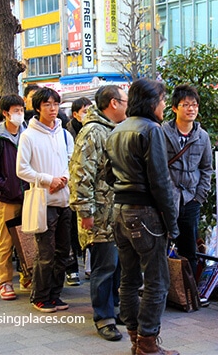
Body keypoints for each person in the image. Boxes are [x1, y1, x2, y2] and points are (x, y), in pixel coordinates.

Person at [105, 78, 180, 355]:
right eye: (162, 100)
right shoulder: (152, 130)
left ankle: (136, 339)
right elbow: (160, 182)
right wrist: (172, 223)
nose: (164, 106)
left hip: (120, 211)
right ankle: (147, 343)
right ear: (151, 102)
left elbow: (106, 174)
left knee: (129, 278)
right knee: (157, 280)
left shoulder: (116, 129)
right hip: (146, 214)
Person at [69, 85, 127, 342]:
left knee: (116, 264)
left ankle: (114, 309)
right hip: (100, 212)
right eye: (125, 101)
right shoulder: (93, 131)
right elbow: (81, 173)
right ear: (113, 103)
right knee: (104, 265)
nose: (128, 105)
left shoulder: (113, 129)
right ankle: (103, 317)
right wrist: (85, 211)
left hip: (117, 211)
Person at [17, 87, 74, 313]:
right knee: (45, 253)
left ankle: (55, 294)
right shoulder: (28, 135)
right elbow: (22, 169)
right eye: (48, 105)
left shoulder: (64, 133)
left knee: (63, 252)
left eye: (55, 104)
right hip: (43, 201)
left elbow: (72, 160)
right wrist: (47, 179)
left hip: (65, 199)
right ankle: (40, 296)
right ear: (38, 107)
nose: (53, 109)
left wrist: (65, 178)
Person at [0, 94, 31, 300]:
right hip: (6, 198)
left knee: (28, 239)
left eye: (21, 110)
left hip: (28, 195)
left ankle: (27, 276)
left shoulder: (28, 134)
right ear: (5, 113)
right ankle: (6, 281)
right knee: (6, 241)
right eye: (15, 110)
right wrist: (4, 186)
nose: (19, 114)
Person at [162, 85, 213, 276]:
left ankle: (188, 293)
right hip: (167, 199)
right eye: (185, 105)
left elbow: (207, 168)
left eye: (194, 105)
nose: (191, 109)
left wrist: (199, 197)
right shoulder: (162, 133)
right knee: (162, 247)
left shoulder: (203, 136)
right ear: (175, 108)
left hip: (191, 199)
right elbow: (158, 167)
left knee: (189, 249)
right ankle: (164, 292)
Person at [64, 97, 92, 286]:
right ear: (75, 114)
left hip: (85, 189)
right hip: (68, 189)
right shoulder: (67, 133)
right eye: (84, 111)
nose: (88, 114)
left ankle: (88, 266)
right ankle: (72, 268)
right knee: (72, 232)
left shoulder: (92, 130)